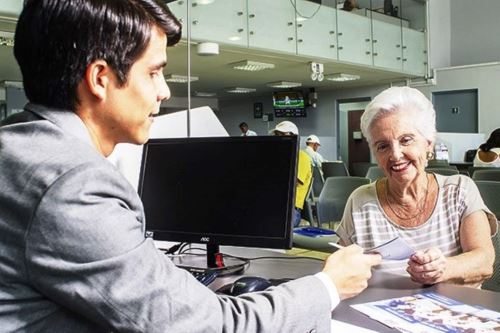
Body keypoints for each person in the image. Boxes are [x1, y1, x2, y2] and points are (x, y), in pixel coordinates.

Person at [0, 1, 381, 332]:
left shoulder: (17, 147)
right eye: (153, 72)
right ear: (100, 79)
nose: (164, 91)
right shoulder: (74, 184)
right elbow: (211, 327)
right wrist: (329, 285)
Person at [336, 86, 496, 287]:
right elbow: (340, 268)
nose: (395, 155)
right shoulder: (360, 201)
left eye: (406, 140)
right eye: (383, 146)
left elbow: (484, 262)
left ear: (428, 143)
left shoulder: (459, 191)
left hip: (451, 312)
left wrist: (443, 268)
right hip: (380, 312)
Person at [270, 121, 313, 228]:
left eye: (282, 135)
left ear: (294, 137)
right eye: (277, 135)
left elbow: (291, 183)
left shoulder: (301, 157)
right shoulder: (279, 156)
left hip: (291, 208)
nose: (279, 139)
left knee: (276, 228)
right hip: (275, 204)